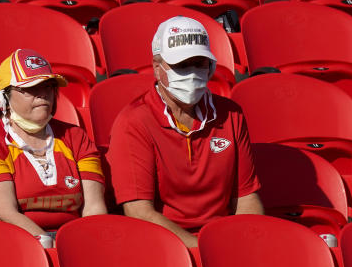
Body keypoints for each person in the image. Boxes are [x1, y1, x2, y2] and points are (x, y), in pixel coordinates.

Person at [107, 16, 263, 247]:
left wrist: (242, 242)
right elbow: (139, 212)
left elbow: (247, 198)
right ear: (157, 68)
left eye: (199, 64)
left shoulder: (231, 114)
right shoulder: (134, 122)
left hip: (225, 240)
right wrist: (202, 250)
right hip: (164, 246)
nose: (191, 73)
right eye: (181, 65)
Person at [0, 48, 107, 239]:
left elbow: (94, 209)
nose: (43, 94)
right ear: (4, 98)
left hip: (76, 240)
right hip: (15, 244)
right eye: (31, 89)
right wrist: (50, 247)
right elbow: (5, 213)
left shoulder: (76, 137)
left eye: (48, 87)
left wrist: (87, 246)